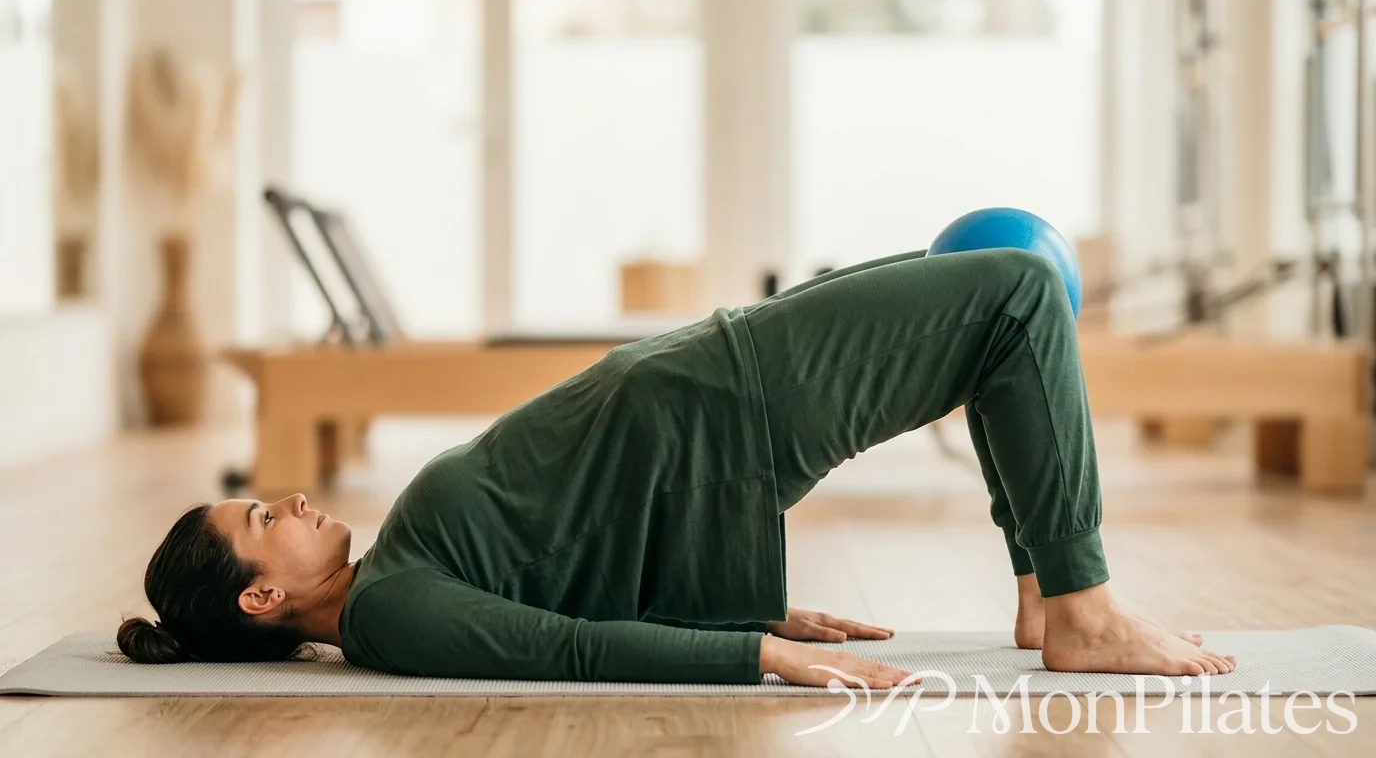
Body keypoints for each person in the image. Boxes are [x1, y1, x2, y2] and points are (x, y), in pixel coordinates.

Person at [117, 248, 1237, 688]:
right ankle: (1079, 607)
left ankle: (1048, 597)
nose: (297, 501)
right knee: (1012, 298)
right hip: (727, 403)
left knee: (987, 309)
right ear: (263, 595)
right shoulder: (393, 618)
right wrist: (753, 654)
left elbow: (570, 567)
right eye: (267, 516)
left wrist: (739, 606)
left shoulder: (399, 580)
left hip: (715, 386)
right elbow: (567, 647)